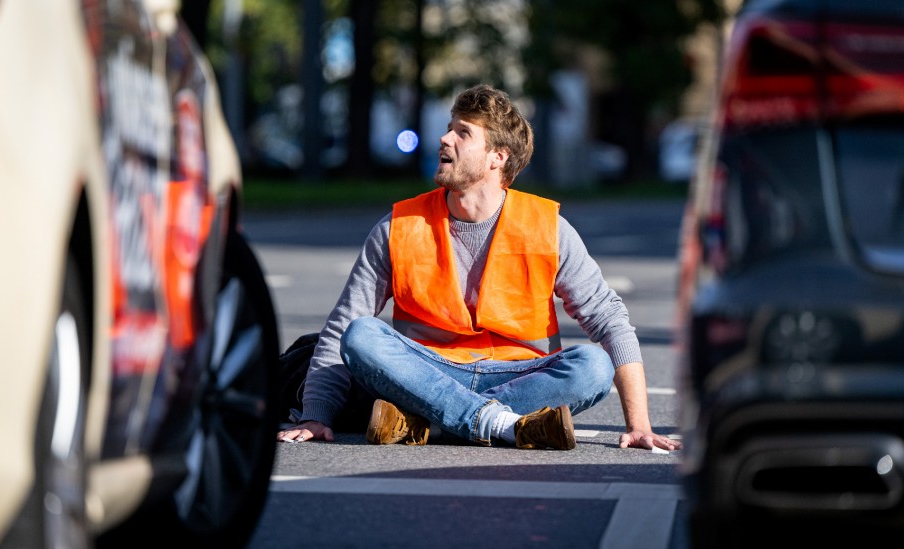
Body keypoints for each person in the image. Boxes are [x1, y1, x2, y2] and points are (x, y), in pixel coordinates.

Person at [277, 84, 681, 451]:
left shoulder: (548, 228)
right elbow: (344, 324)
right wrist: (316, 415)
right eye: (450, 127)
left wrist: (640, 424)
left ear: (497, 157)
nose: (444, 138)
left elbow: (609, 320)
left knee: (593, 366)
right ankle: (496, 423)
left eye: (463, 132)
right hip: (423, 370)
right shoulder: (397, 225)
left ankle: (429, 421)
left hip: (517, 375)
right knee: (361, 334)